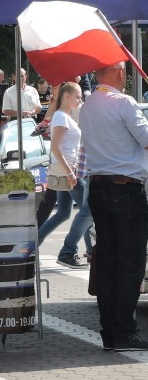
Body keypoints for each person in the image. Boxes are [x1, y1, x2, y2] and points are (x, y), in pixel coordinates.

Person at [79, 60, 148, 351]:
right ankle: (123, 331)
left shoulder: (88, 105)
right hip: (125, 190)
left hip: (99, 186)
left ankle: (111, 331)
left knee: (108, 262)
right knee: (130, 263)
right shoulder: (123, 102)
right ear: (120, 72)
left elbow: (136, 140)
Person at [37, 81, 93, 268]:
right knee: (88, 211)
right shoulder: (61, 117)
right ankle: (68, 252)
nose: (80, 99)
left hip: (67, 170)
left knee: (63, 213)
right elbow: (55, 147)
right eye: (77, 96)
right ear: (66, 96)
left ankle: (33, 245)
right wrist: (70, 171)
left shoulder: (64, 116)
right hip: (68, 170)